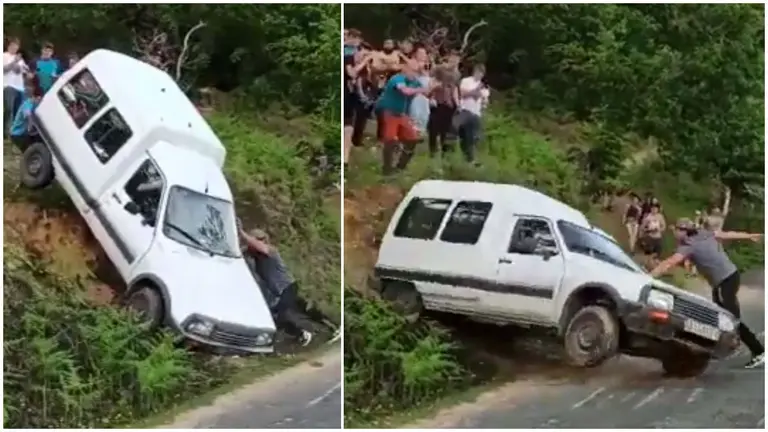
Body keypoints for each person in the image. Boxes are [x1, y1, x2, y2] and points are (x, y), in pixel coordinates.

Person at [650, 218, 764, 369]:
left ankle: (759, 351)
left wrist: (648, 277)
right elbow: (726, 234)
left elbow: (669, 262)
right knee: (721, 314)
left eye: (676, 231)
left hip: (724, 281)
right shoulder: (705, 234)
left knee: (730, 319)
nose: (674, 234)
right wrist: (748, 236)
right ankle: (726, 341)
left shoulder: (689, 245)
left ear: (683, 231)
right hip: (730, 276)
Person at [239, 225, 341, 346]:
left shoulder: (271, 251)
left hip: (287, 287)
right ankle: (334, 326)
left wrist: (242, 232)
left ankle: (302, 334)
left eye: (258, 240)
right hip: (283, 289)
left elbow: (259, 247)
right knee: (305, 309)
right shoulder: (253, 255)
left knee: (279, 315)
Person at [375, 59, 432, 175]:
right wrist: (421, 89)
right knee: (390, 140)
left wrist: (434, 85)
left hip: (401, 114)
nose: (414, 74)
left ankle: (401, 167)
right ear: (405, 69)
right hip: (389, 111)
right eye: (412, 71)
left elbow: (427, 93)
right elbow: (405, 91)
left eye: (416, 72)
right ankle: (387, 169)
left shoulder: (414, 81)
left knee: (412, 140)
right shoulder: (398, 78)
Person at [456, 64, 488, 166]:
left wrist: (483, 100)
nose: (479, 75)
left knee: (472, 137)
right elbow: (463, 93)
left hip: (475, 113)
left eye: (481, 74)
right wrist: (475, 91)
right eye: (478, 72)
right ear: (475, 72)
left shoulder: (483, 86)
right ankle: (463, 158)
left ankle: (471, 159)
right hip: (465, 110)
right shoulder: (466, 81)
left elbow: (483, 99)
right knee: (463, 134)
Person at [4, 37, 28, 136]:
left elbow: (20, 71)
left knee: (17, 110)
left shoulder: (20, 59)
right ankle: (5, 131)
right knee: (9, 109)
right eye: (13, 45)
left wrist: (20, 67)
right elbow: (4, 70)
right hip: (8, 86)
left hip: (20, 87)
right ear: (9, 46)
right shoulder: (4, 56)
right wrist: (14, 62)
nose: (15, 48)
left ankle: (13, 132)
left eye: (16, 46)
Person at [9, 79, 42, 152]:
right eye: (39, 100)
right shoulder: (27, 104)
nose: (40, 102)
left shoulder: (34, 105)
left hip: (24, 133)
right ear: (35, 97)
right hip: (17, 134)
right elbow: (28, 115)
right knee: (31, 150)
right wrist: (31, 127)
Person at [640, 203, 666, 268]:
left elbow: (664, 226)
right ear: (651, 209)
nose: (654, 210)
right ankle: (645, 265)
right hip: (650, 236)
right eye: (652, 208)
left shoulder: (660, 216)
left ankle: (653, 266)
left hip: (658, 237)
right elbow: (642, 226)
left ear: (658, 210)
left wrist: (659, 229)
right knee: (648, 252)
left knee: (657, 253)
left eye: (655, 209)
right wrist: (647, 229)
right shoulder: (648, 216)